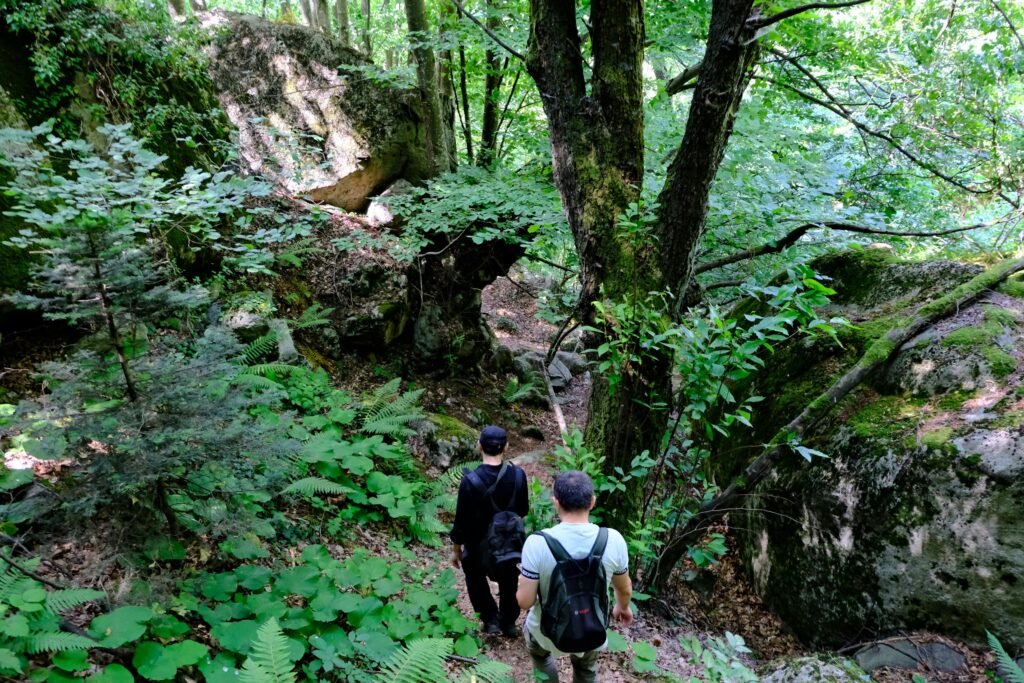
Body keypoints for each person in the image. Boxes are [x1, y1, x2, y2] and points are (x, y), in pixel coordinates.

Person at [516, 470, 633, 683]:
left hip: (545, 632)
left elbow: (525, 602)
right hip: (591, 628)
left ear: (556, 502)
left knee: (540, 656)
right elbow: (624, 589)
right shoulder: (613, 540)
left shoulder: (537, 543)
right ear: (593, 502)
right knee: (586, 668)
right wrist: (622, 607)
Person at [450, 425, 529, 637]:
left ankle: (490, 619)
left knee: (474, 574)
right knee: (509, 577)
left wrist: (457, 548)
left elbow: (461, 521)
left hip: (477, 545)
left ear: (479, 446)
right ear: (507, 447)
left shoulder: (470, 481)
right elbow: (523, 510)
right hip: (507, 543)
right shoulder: (519, 476)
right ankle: (509, 622)